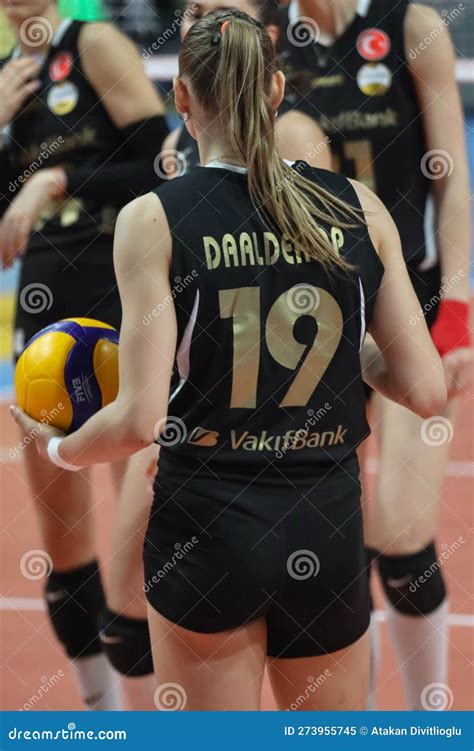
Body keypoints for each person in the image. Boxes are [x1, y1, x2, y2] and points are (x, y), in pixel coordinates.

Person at [11, 9, 447, 711]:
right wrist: (346, 344)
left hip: (209, 529)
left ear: (181, 99)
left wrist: (58, 450)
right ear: (275, 90)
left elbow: (137, 422)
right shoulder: (357, 206)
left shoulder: (153, 217)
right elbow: (426, 389)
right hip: (324, 523)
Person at [274, 0, 472, 708]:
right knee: (331, 541)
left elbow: (451, 179)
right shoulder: (266, 31)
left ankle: (432, 715)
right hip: (311, 317)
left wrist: (457, 309)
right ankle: (342, 717)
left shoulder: (411, 25)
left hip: (409, 302)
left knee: (404, 530)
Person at [0, 0, 168, 709]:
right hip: (40, 328)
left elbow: (162, 165)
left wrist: (59, 179)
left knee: (141, 547)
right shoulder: (13, 77)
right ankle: (101, 713)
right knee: (64, 545)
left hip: (119, 308)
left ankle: (155, 714)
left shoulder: (94, 43)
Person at [160, 0, 332, 176]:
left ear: (268, 36)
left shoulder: (295, 133)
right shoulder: (174, 144)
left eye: (226, 16)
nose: (205, 26)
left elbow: (316, 202)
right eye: (195, 15)